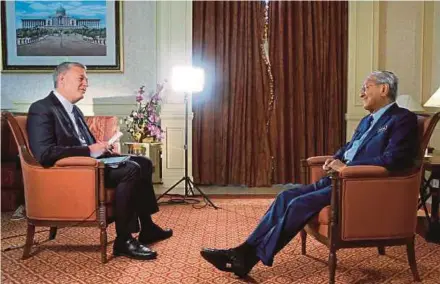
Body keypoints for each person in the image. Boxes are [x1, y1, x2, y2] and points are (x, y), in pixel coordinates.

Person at [200, 71, 419, 277]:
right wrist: (335, 159)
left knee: (298, 204)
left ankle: (248, 259)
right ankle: (242, 250)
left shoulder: (402, 119)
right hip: (336, 179)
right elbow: (350, 147)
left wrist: (347, 169)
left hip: (357, 185)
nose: (361, 93)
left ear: (383, 89)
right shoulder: (367, 120)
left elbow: (395, 158)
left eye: (366, 87)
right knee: (285, 197)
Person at [27, 62, 172, 260]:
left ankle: (147, 227)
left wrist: (101, 146)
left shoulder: (74, 110)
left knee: (143, 162)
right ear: (62, 79)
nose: (86, 84)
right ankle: (124, 240)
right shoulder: (42, 108)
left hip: (91, 165)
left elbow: (85, 142)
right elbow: (44, 153)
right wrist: (89, 150)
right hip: (73, 174)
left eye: (86, 79)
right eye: (81, 78)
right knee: (131, 170)